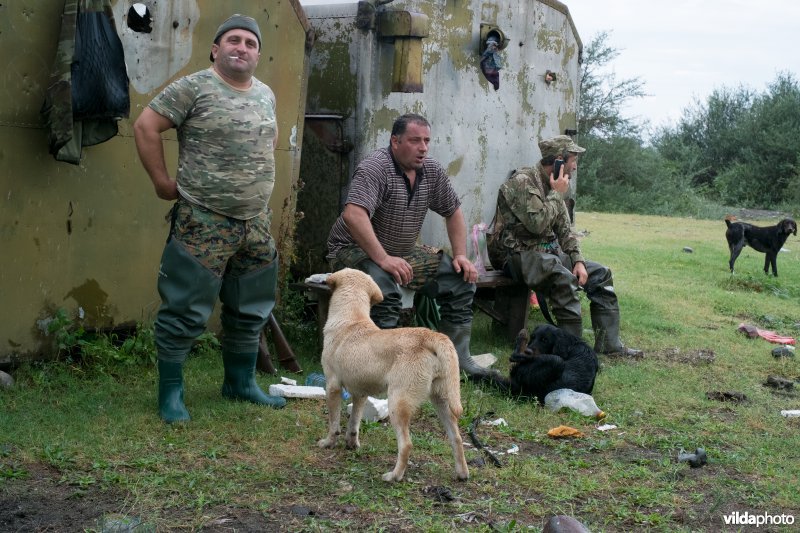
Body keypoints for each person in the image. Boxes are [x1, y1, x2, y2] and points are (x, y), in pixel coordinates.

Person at [133, 14, 286, 423]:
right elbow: (146, 127)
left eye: (251, 43)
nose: (242, 48)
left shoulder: (267, 94)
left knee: (250, 306)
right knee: (185, 308)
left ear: (258, 53)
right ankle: (171, 395)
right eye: (233, 40)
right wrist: (162, 182)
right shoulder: (194, 87)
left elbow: (267, 141)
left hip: (254, 222)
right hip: (203, 219)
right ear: (216, 49)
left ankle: (239, 382)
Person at [326, 113, 498, 378]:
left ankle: (457, 360)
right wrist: (383, 258)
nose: (423, 148)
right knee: (384, 289)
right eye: (415, 140)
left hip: (402, 250)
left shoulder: (431, 171)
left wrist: (461, 255)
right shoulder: (376, 167)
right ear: (395, 141)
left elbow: (453, 212)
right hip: (351, 249)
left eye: (427, 141)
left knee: (461, 279)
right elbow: (353, 215)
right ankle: (380, 368)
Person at [487, 135, 642, 357]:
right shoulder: (521, 183)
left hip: (546, 253)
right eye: (573, 160)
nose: (575, 166)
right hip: (516, 254)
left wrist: (577, 260)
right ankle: (573, 353)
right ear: (559, 160)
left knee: (600, 274)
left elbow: (564, 229)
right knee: (562, 277)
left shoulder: (556, 186)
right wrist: (556, 194)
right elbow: (537, 225)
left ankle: (609, 346)